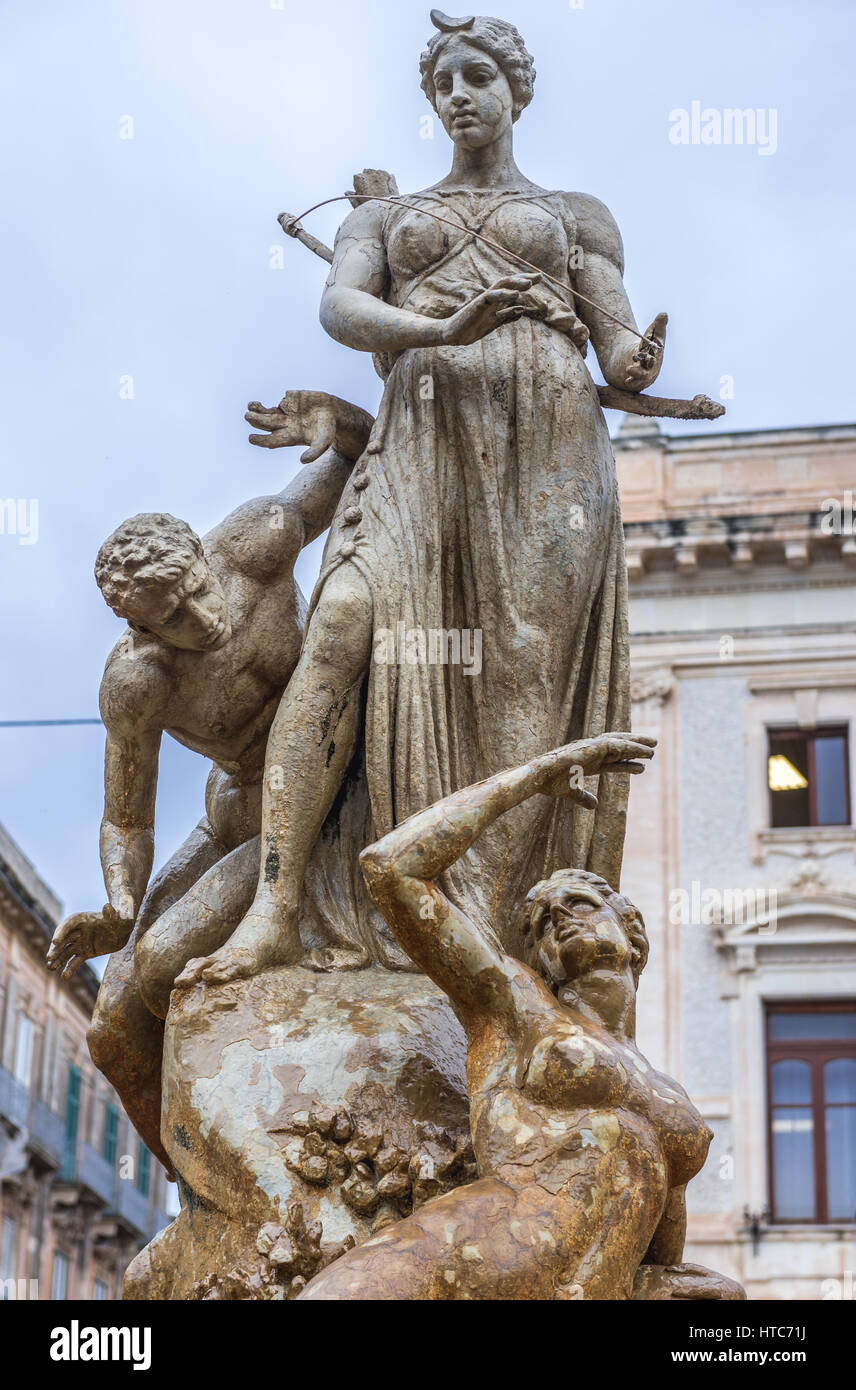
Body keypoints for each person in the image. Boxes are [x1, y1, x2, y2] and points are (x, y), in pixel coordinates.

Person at [176, 13, 668, 993]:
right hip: (422, 433)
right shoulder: (383, 220)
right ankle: (275, 907)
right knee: (344, 623)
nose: (458, 93)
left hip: (551, 444)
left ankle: (506, 934)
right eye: (442, 80)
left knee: (525, 686)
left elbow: (613, 339)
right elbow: (342, 308)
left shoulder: (578, 212)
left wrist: (636, 360)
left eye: (478, 74)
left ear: (515, 90)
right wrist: (444, 324)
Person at [46, 391, 372, 1170]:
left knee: (163, 966)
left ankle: (261, 1143)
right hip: (240, 809)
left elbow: (359, 460)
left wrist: (337, 419)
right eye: (175, 617)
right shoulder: (138, 683)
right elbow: (127, 817)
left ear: (201, 551)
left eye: (196, 587)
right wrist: (120, 902)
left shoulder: (257, 540)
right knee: (119, 1003)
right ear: (142, 629)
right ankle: (202, 1179)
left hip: (334, 774)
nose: (203, 615)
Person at [299, 733, 721, 1300]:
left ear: (631, 930)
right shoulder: (517, 1001)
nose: (559, 920)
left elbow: (659, 1242)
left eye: (579, 904)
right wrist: (537, 776)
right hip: (470, 1255)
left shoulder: (669, 1093)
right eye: (542, 924)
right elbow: (390, 867)